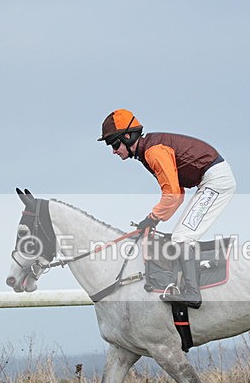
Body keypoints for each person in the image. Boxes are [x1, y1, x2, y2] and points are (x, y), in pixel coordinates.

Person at [98, 109, 236, 308]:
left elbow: (172, 194)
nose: (113, 151)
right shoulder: (148, 152)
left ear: (127, 137)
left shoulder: (153, 152)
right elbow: (177, 193)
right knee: (180, 236)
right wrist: (154, 218)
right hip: (210, 180)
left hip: (215, 181)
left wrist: (153, 217)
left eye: (114, 144)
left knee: (181, 238)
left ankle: (192, 293)